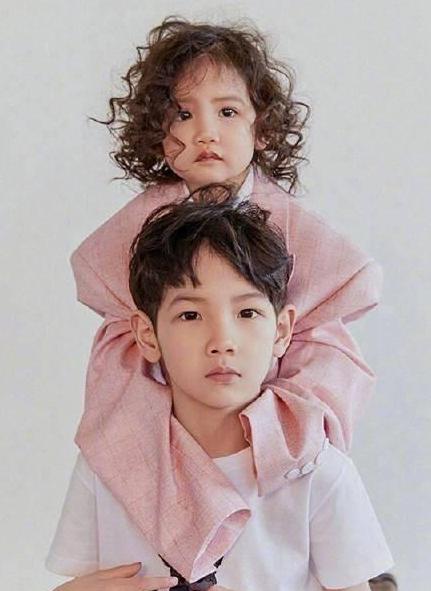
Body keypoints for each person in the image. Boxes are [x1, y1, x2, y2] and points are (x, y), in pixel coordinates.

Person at [46, 15, 386, 588]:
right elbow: (119, 340)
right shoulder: (135, 230)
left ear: (262, 128)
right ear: (156, 132)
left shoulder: (296, 232)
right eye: (183, 114)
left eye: (227, 112)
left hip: (266, 428)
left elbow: (330, 331)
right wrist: (143, 434)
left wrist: (282, 427)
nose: (205, 132)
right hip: (179, 421)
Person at [47, 194, 392, 591]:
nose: (222, 341)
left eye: (247, 313)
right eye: (190, 315)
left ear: (281, 331)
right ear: (147, 334)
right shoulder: (107, 464)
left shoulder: (315, 469)